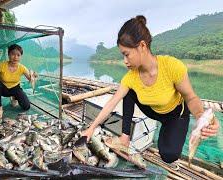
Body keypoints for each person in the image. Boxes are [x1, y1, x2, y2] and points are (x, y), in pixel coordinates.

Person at [82, 15, 220, 163]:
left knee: (169, 155)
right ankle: (125, 137)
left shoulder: (172, 66)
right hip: (153, 110)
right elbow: (112, 103)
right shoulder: (131, 77)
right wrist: (91, 128)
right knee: (127, 92)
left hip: (175, 114)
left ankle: (170, 131)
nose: (125, 61)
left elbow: (191, 97)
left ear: (142, 46)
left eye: (126, 54)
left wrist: (201, 117)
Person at [0, 44, 37, 119]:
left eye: (18, 55)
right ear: (8, 54)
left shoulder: (22, 68)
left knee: (26, 107)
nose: (15, 57)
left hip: (15, 88)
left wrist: (34, 76)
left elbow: (31, 79)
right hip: (3, 89)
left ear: (21, 56)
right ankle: (0, 108)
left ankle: (14, 97)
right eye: (13, 54)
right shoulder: (1, 65)